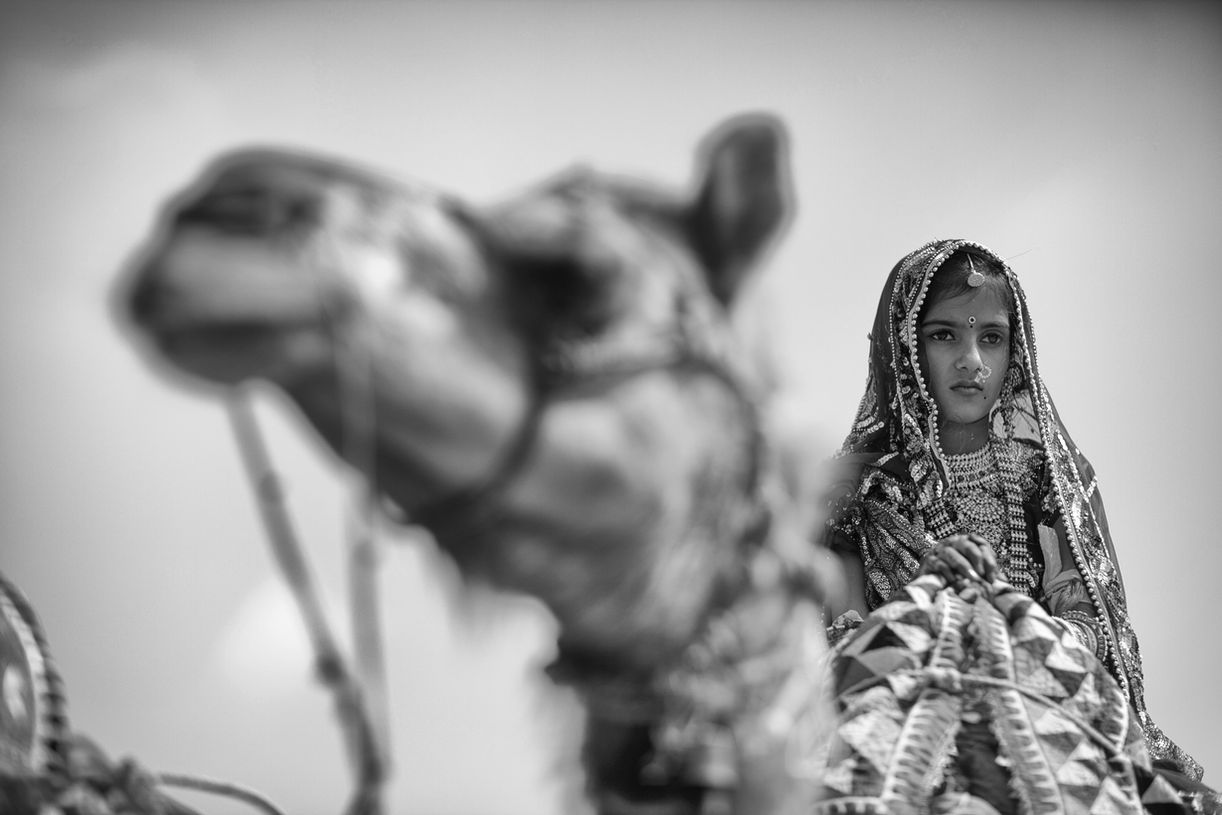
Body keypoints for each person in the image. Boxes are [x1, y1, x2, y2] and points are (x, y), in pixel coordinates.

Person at [817, 238, 1212, 812]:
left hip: (1037, 693)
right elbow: (844, 634)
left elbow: (1087, 618)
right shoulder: (857, 490)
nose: (971, 360)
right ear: (903, 345)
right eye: (944, 334)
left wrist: (1004, 623)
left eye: (991, 338)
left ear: (1015, 350)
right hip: (898, 710)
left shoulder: (1047, 474)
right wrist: (933, 617)